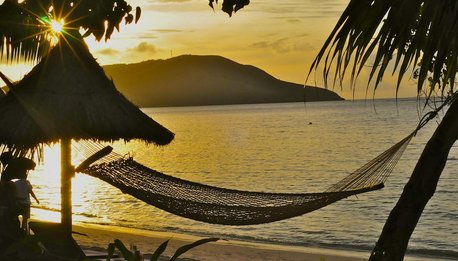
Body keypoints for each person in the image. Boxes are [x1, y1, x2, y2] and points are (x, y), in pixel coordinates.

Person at [13, 166, 39, 234]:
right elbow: (30, 192)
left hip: (18, 203)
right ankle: (23, 231)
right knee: (25, 219)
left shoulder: (15, 183)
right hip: (26, 203)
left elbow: (13, 193)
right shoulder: (27, 183)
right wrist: (36, 199)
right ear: (25, 175)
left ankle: (19, 229)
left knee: (17, 216)